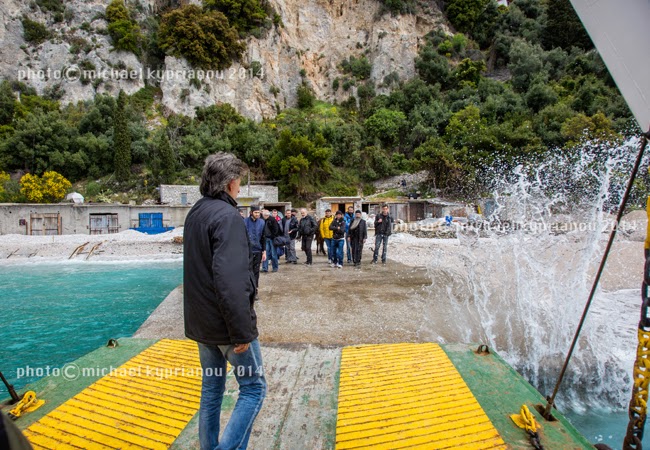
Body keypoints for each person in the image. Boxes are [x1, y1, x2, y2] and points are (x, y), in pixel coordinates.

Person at [183, 152, 266, 450]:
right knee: (254, 389)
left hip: (202, 325)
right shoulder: (228, 217)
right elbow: (230, 280)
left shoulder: (196, 212)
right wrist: (241, 331)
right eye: (239, 183)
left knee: (212, 391)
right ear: (230, 183)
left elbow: (199, 270)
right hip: (226, 326)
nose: (240, 189)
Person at [244, 207, 266, 297]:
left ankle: (255, 290)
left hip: (258, 250)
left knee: (256, 271)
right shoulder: (244, 222)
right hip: (247, 251)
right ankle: (247, 290)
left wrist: (264, 251)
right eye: (255, 212)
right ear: (251, 212)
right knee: (247, 271)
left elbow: (263, 237)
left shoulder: (262, 222)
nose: (257, 214)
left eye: (258, 212)